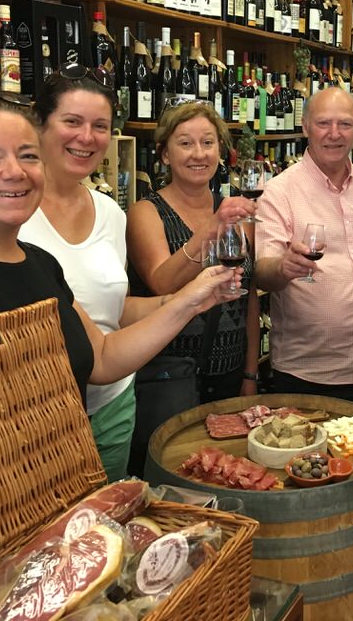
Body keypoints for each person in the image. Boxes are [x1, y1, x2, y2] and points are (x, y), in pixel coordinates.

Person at [0, 69, 221, 482]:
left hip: (69, 454)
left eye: (27, 156)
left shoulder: (40, 261)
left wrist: (191, 299)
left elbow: (102, 357)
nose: (14, 172)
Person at [125, 100, 259, 476]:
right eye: (185, 143)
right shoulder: (146, 212)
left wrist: (250, 375)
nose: (198, 154)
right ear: (165, 154)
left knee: (227, 481)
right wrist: (212, 228)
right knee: (173, 479)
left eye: (208, 142)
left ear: (221, 150)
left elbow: (248, 297)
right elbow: (161, 281)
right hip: (172, 376)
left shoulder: (235, 213)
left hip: (230, 377)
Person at [254, 85, 353, 395]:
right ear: (305, 127)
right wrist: (284, 266)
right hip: (308, 370)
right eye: (323, 123)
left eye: (344, 124)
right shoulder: (279, 191)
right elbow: (262, 270)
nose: (334, 133)